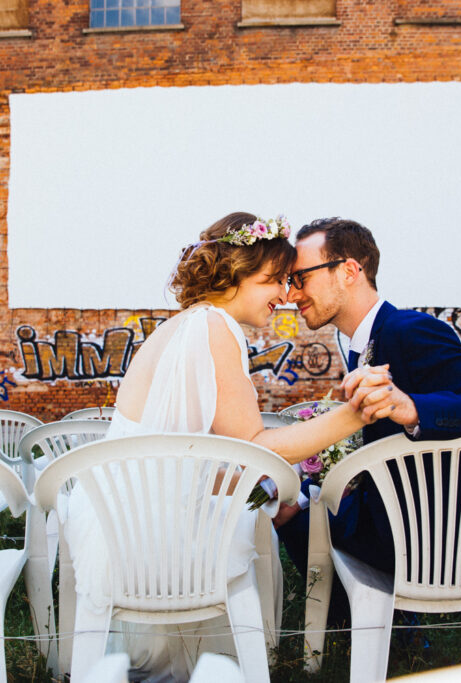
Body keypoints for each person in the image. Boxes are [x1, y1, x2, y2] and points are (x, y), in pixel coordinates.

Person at [63, 212, 388, 681]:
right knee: (251, 524)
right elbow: (253, 446)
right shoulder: (216, 328)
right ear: (233, 275)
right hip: (157, 537)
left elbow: (181, 454)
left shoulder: (186, 326)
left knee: (257, 509)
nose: (284, 295)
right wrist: (352, 416)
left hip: (123, 522)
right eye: (273, 280)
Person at [275, 217, 461, 610]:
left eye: (301, 278)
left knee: (289, 515)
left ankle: (361, 626)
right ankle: (378, 624)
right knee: (296, 496)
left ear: (349, 271)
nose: (291, 294)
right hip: (399, 515)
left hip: (433, 537)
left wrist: (414, 407)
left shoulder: (409, 330)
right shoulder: (358, 342)